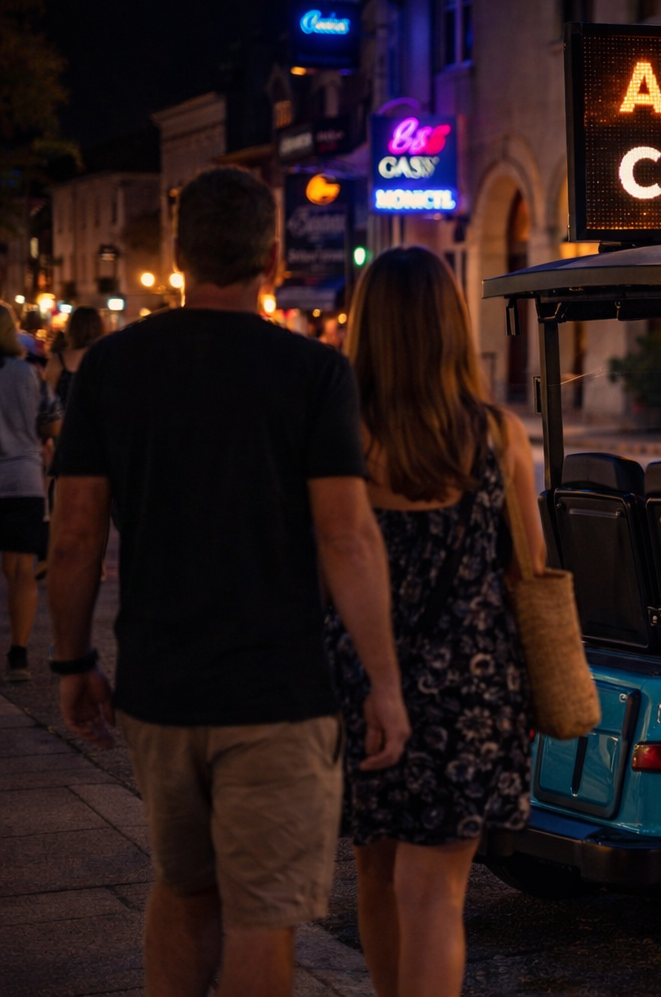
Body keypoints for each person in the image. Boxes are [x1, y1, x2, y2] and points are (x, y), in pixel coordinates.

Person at [49, 167, 411, 997]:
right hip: (277, 692)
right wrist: (384, 684)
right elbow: (347, 538)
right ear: (272, 258)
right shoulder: (313, 373)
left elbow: (73, 537)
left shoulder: (110, 367)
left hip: (160, 686)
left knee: (184, 889)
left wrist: (72, 662)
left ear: (179, 258)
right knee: (261, 914)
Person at [331, 245, 539, 997]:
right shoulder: (497, 435)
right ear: (452, 327)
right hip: (472, 684)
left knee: (375, 872)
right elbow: (529, 571)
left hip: (360, 677)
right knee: (437, 897)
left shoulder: (341, 434)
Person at [0, 302, 61, 683]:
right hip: (22, 479)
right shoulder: (28, 373)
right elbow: (52, 424)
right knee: (22, 570)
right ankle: (18, 655)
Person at [44, 305, 104, 413]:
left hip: (64, 421)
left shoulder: (59, 361)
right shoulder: (106, 360)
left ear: (72, 330)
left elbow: (47, 398)